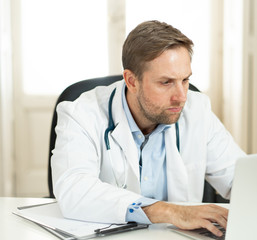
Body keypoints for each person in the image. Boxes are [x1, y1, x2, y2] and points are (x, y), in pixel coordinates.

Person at [51, 20, 246, 237]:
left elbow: (240, 180)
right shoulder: (81, 113)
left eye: (185, 80)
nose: (181, 96)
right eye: (166, 82)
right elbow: (74, 190)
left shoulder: (197, 109)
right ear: (131, 81)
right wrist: (171, 212)